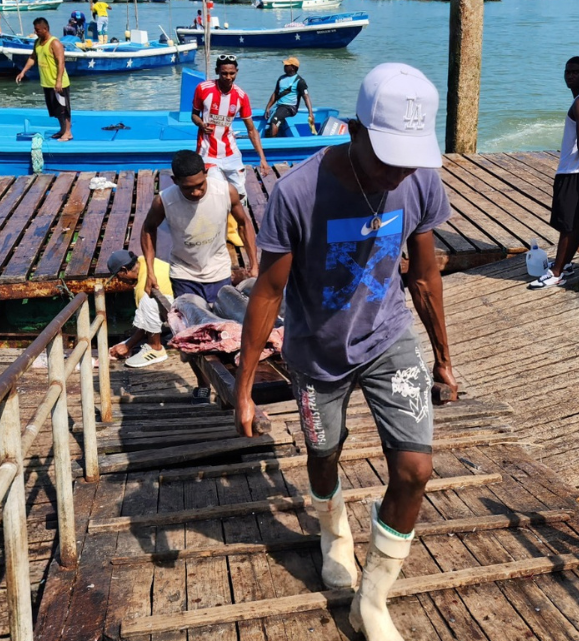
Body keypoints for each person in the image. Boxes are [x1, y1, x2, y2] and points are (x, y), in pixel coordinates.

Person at [234, 63, 458, 641]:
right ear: (354, 129)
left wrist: (444, 357)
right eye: (388, 155)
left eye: (410, 155)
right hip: (317, 352)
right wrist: (244, 388)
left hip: (389, 338)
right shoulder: (296, 194)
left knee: (415, 469)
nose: (399, 170)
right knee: (324, 453)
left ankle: (373, 600)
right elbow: (268, 291)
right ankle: (333, 532)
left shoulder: (419, 179)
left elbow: (426, 276)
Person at [140, 150, 257, 305]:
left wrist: (254, 264)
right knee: (192, 327)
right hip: (184, 274)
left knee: (221, 324)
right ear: (175, 181)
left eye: (200, 185)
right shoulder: (164, 201)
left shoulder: (225, 192)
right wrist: (150, 272)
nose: (196, 192)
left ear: (206, 173)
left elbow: (244, 224)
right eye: (188, 188)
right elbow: (148, 229)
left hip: (219, 271)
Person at [529, 56, 579, 290]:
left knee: (568, 225)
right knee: (576, 223)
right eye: (567, 72)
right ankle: (566, 263)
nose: (570, 76)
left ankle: (556, 272)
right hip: (578, 171)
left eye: (576, 72)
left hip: (573, 170)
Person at [192, 54, 272, 200]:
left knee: (240, 194)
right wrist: (201, 124)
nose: (228, 77)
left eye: (232, 73)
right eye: (224, 73)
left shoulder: (241, 96)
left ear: (237, 72)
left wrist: (262, 158)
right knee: (216, 193)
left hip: (231, 153)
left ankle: (240, 221)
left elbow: (251, 129)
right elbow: (194, 115)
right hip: (207, 152)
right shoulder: (203, 89)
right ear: (217, 71)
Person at [105, 249, 175, 368]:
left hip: (176, 314)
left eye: (118, 276)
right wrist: (127, 343)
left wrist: (128, 345)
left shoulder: (143, 289)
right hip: (182, 303)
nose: (119, 280)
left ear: (123, 270)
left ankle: (155, 349)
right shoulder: (145, 261)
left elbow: (145, 324)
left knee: (147, 302)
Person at [15, 18, 73, 142]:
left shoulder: (55, 43)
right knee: (56, 110)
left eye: (37, 30)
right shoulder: (37, 43)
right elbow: (32, 58)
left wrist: (58, 81)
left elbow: (61, 62)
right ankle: (62, 130)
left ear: (45, 29)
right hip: (46, 83)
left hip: (58, 82)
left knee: (63, 109)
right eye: (35, 29)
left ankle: (68, 132)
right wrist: (23, 71)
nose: (35, 32)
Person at [263, 57, 315, 138]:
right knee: (268, 122)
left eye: (287, 65)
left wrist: (310, 113)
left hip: (290, 107)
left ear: (293, 68)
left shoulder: (300, 81)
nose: (284, 66)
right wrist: (268, 107)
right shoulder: (281, 78)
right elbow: (275, 94)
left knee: (274, 121)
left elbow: (306, 97)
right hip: (280, 107)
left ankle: (273, 142)